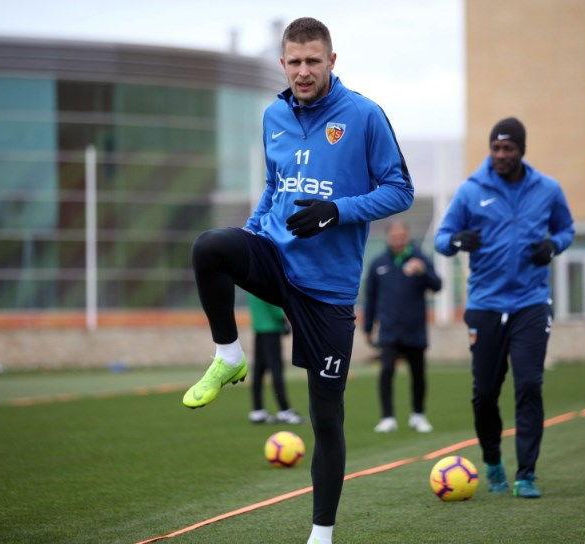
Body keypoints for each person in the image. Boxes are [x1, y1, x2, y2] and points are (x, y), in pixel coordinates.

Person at [182, 17, 413, 544]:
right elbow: (275, 185)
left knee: (326, 419)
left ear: (332, 61)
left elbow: (399, 189)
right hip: (275, 256)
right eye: (294, 62)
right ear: (282, 64)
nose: (303, 71)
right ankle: (228, 356)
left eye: (313, 61)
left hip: (326, 289)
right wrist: (251, 231)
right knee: (210, 247)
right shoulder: (274, 115)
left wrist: (337, 210)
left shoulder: (364, 115)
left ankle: (321, 534)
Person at [434, 117, 574, 499]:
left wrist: (554, 245)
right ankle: (493, 461)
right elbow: (442, 239)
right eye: (495, 148)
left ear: (521, 150)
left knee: (529, 385)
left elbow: (566, 229)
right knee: (485, 393)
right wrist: (457, 241)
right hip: (485, 304)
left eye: (508, 148)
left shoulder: (547, 189)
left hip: (531, 302)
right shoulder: (470, 191)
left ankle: (526, 474)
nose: (500, 154)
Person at [363, 220, 442, 433]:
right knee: (386, 371)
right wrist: (368, 327)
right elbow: (371, 298)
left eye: (401, 235)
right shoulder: (378, 263)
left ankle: (418, 415)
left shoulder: (420, 259)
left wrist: (423, 271)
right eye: (394, 235)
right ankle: (387, 417)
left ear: (407, 236)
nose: (398, 239)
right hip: (389, 330)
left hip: (415, 329)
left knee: (418, 374)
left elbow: (437, 285)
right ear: (388, 237)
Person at [246, 293, 302, 425]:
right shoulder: (264, 281)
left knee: (258, 371)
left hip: (259, 328)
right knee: (276, 370)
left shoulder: (250, 281)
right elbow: (272, 301)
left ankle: (257, 411)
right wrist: (283, 319)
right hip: (271, 329)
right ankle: (284, 411)